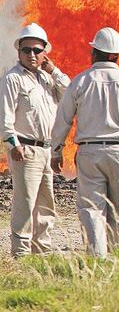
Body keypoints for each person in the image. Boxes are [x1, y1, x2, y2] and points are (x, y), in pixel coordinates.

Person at [50, 27, 119, 258]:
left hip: (90, 154)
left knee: (92, 210)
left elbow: (63, 119)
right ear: (116, 55)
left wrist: (56, 151)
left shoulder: (80, 82)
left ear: (95, 52)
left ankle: (97, 262)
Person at [0, 23, 70, 257]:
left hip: (46, 150)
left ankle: (42, 251)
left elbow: (70, 94)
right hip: (25, 149)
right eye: (26, 50)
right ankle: (21, 253)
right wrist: (12, 144)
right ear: (19, 51)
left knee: (46, 203)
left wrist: (54, 71)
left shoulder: (46, 79)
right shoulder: (12, 79)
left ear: (44, 53)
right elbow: (5, 116)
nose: (31, 54)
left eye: (37, 50)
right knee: (25, 202)